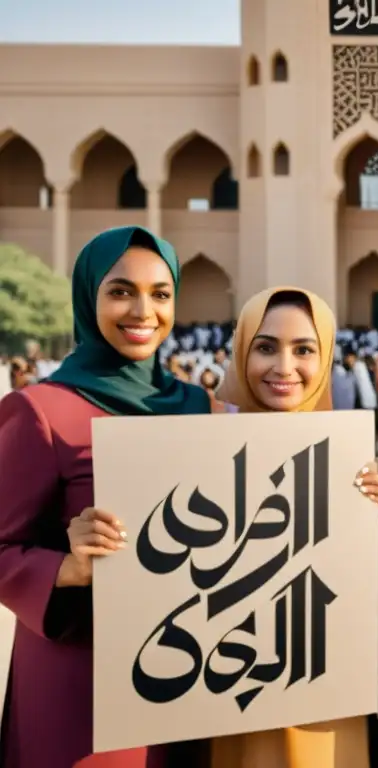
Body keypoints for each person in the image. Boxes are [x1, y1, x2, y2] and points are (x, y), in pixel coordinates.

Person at [0, 226, 214, 767]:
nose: (143, 310)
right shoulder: (42, 410)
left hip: (189, 669)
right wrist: (69, 567)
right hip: (81, 681)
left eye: (160, 294)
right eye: (120, 291)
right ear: (88, 294)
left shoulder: (196, 406)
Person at [209, 286, 378, 768]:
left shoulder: (354, 463)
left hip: (323, 690)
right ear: (241, 349)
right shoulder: (200, 448)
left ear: (326, 355)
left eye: (304, 349)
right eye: (265, 347)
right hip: (229, 683)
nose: (284, 367)